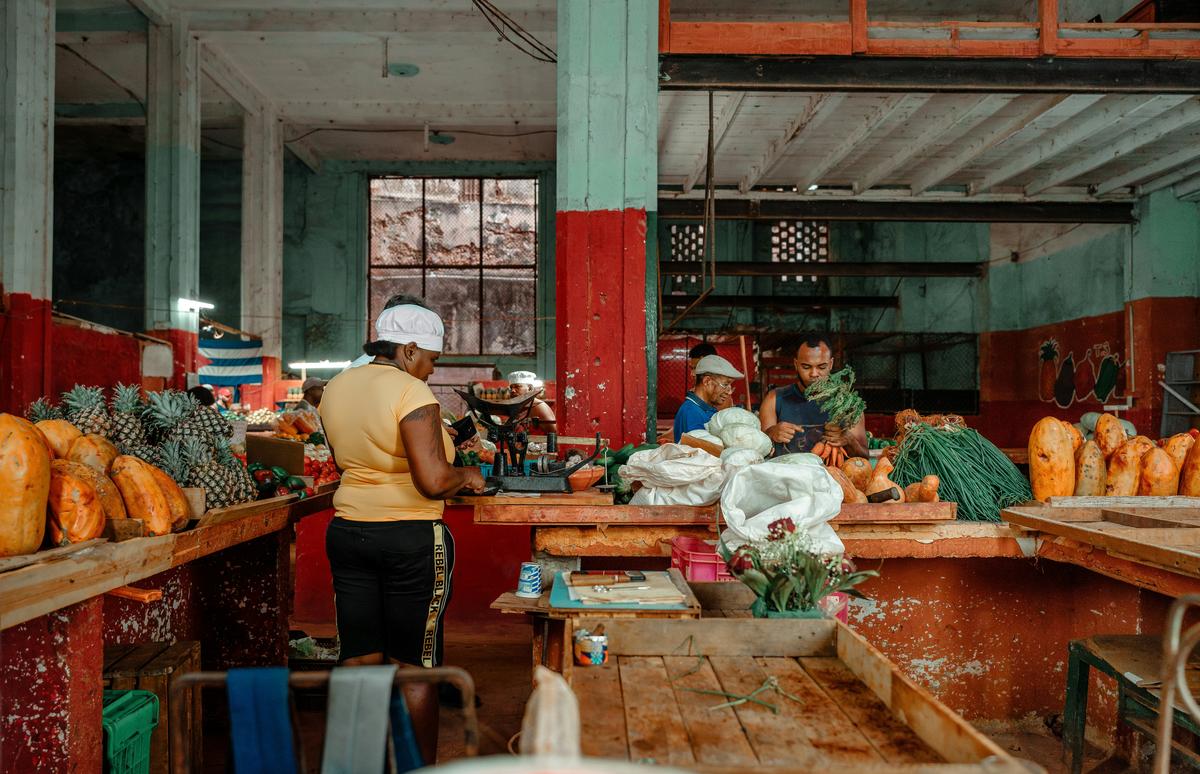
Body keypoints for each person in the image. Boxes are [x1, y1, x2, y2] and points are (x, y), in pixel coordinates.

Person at [318, 298, 486, 764]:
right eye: (431, 360)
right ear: (409, 350)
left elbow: (343, 460)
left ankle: (356, 765)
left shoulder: (336, 387)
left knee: (358, 659)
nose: (431, 371)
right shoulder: (412, 392)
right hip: (410, 538)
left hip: (349, 532)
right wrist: (467, 475)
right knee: (417, 668)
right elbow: (432, 481)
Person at [760, 333, 869, 458]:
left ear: (831, 364)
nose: (814, 374)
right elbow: (758, 452)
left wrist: (849, 440)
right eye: (806, 367)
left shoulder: (849, 404)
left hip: (833, 476)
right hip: (787, 476)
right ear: (796, 364)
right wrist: (770, 433)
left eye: (822, 367)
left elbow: (864, 456)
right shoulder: (774, 399)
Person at [672, 354, 743, 442]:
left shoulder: (706, 409)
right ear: (707, 381)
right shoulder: (691, 412)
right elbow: (701, 450)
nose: (729, 391)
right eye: (725, 384)